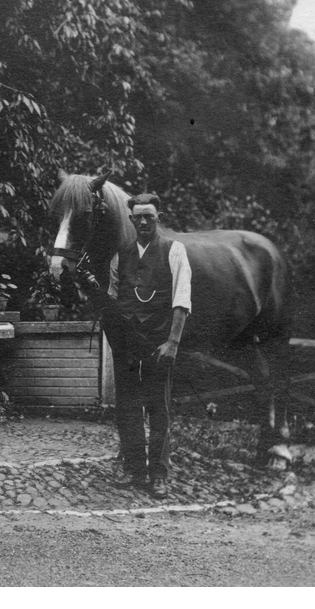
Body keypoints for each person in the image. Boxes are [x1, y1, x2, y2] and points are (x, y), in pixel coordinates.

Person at [105, 193, 191, 499]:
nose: (143, 222)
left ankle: (158, 475)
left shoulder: (173, 250)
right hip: (128, 345)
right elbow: (114, 298)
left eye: (149, 217)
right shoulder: (121, 254)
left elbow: (182, 300)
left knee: (158, 409)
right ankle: (135, 470)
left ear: (158, 217)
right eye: (138, 217)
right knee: (128, 408)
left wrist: (173, 342)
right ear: (131, 220)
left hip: (159, 343)